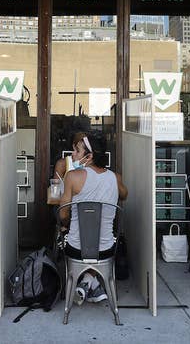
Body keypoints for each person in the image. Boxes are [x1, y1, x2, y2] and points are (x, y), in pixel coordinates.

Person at [59, 131, 127, 305]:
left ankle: (84, 283)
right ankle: (91, 283)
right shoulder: (115, 178)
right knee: (100, 238)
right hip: (106, 249)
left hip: (76, 248)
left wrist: (66, 225)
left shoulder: (72, 177)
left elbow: (63, 214)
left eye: (77, 151)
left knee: (62, 232)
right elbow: (125, 194)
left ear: (88, 157)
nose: (73, 154)